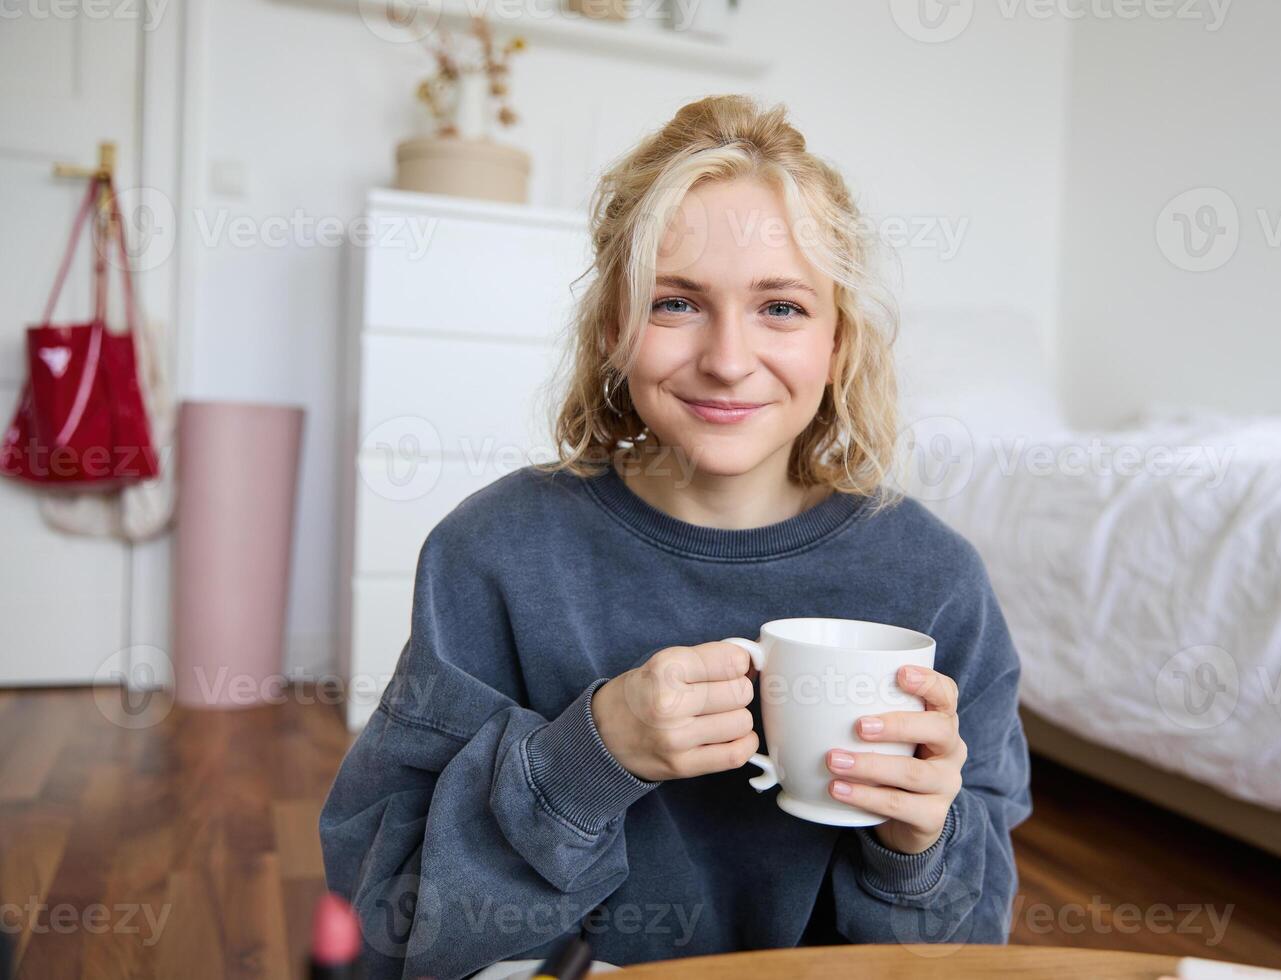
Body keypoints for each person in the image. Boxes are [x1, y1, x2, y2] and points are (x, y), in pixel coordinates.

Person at [320, 94, 1031, 979]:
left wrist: (917, 845)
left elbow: (968, 956)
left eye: (781, 308)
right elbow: (382, 924)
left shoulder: (936, 582)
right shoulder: (492, 555)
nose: (728, 359)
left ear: (838, 341)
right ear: (615, 327)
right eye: (676, 303)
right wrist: (587, 758)